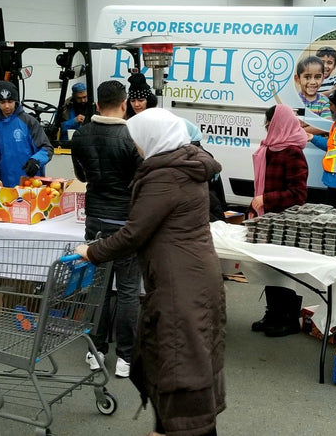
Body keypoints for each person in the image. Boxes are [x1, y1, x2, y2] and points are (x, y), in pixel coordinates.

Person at [74, 108, 225, 436]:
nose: (136, 147)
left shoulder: (165, 175)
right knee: (182, 357)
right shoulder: (183, 165)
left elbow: (134, 233)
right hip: (192, 275)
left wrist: (91, 252)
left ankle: (181, 428)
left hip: (179, 281)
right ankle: (169, 427)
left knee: (179, 360)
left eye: (137, 141)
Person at [69, 80, 143, 379]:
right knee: (127, 291)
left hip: (96, 221)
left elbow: (81, 175)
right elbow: (141, 180)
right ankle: (126, 357)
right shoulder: (131, 135)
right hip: (126, 223)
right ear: (124, 104)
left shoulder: (81, 135)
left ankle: (95, 350)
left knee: (99, 287)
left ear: (96, 104)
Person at [249, 105, 309, 337]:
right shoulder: (269, 149)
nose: (265, 126)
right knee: (269, 269)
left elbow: (298, 194)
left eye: (269, 122)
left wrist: (266, 199)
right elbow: (260, 187)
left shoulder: (292, 151)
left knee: (282, 270)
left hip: (285, 222)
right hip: (268, 220)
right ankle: (273, 313)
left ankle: (289, 319)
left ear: (278, 124)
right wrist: (254, 207)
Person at [0, 80, 52, 187]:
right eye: (2, 102)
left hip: (32, 183)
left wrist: (36, 161)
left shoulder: (29, 121)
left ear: (16, 101)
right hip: (6, 184)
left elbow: (47, 148)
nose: (6, 106)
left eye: (10, 101)